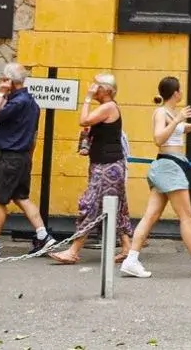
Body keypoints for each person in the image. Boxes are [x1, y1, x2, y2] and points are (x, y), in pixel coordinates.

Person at [120, 76, 191, 279]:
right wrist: (178, 120)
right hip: (169, 167)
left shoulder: (171, 112)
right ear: (176, 93)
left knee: (151, 216)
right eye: (180, 90)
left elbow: (176, 131)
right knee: (187, 216)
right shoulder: (161, 112)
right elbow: (158, 138)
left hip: (168, 166)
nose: (181, 92)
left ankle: (131, 260)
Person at [0, 63, 54, 257]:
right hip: (23, 156)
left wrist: (0, 94)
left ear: (9, 81)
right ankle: (43, 235)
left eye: (3, 79)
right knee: (21, 197)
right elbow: (34, 135)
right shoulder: (32, 103)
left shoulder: (16, 102)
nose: (0, 82)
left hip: (8, 156)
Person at [50, 74, 134, 264]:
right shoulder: (106, 108)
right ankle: (127, 247)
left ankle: (73, 251)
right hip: (106, 164)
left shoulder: (109, 107)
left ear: (107, 90)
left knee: (90, 204)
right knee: (115, 205)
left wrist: (87, 98)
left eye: (97, 85)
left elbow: (84, 120)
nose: (93, 87)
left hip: (107, 167)